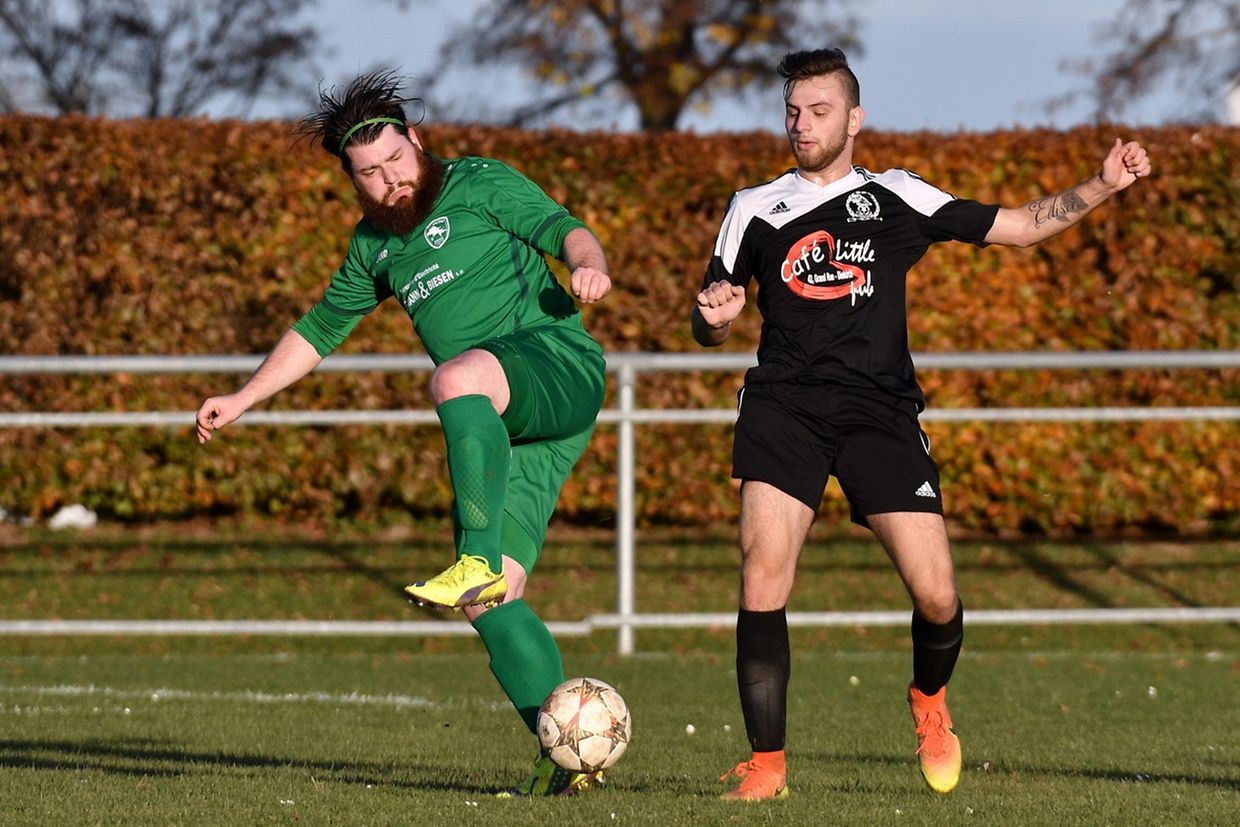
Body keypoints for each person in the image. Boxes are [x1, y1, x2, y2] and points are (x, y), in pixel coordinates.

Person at [692, 48, 1151, 801]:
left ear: (855, 118)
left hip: (880, 413)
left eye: (819, 110)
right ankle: (766, 765)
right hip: (785, 407)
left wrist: (1103, 183)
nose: (801, 125)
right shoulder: (752, 206)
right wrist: (713, 319)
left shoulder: (897, 195)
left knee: (937, 595)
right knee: (761, 574)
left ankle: (930, 703)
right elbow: (710, 309)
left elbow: (1021, 226)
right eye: (792, 111)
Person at [195, 70, 614, 797]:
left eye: (396, 160)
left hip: (556, 367)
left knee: (456, 378)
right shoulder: (374, 247)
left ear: (416, 140)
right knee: (491, 603)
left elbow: (565, 229)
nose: (390, 180)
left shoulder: (479, 182)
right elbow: (320, 328)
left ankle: (473, 556)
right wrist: (244, 396)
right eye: (370, 174)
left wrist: (589, 265)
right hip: (514, 427)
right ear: (352, 180)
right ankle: (567, 758)